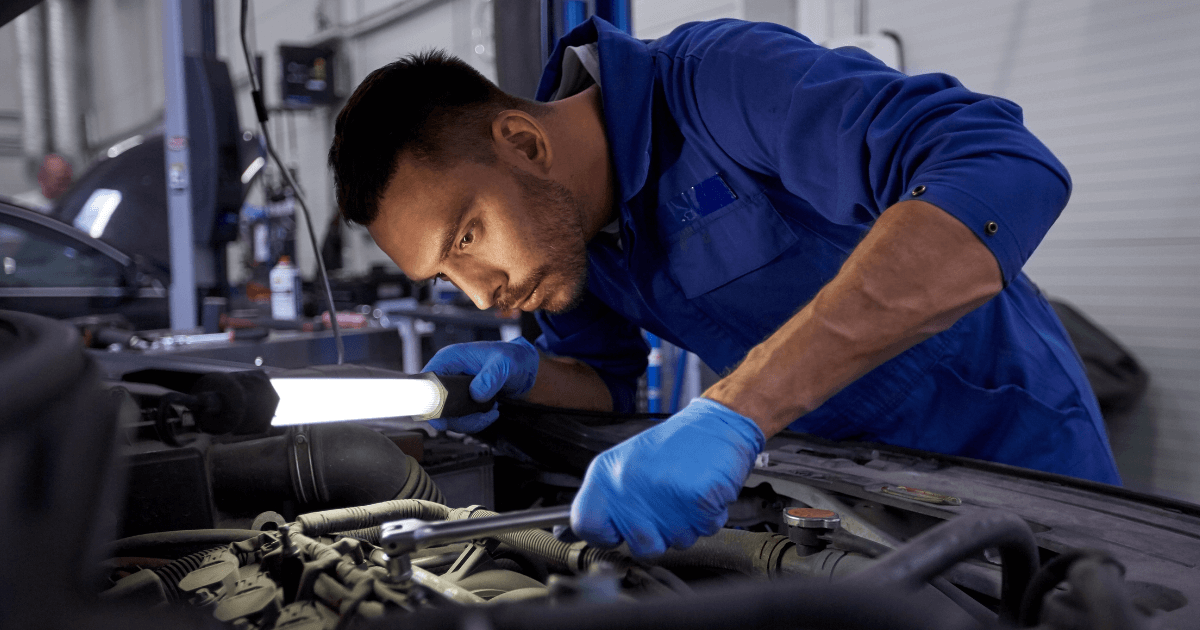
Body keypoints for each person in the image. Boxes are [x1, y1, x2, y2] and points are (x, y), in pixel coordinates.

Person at [328, 17, 1121, 557]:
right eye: (445, 272)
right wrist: (528, 376)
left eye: (466, 237)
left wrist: (736, 412)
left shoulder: (722, 84)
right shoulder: (567, 243)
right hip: (843, 495)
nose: (479, 292)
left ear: (523, 141)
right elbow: (608, 381)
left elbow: (1001, 167)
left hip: (1018, 458)